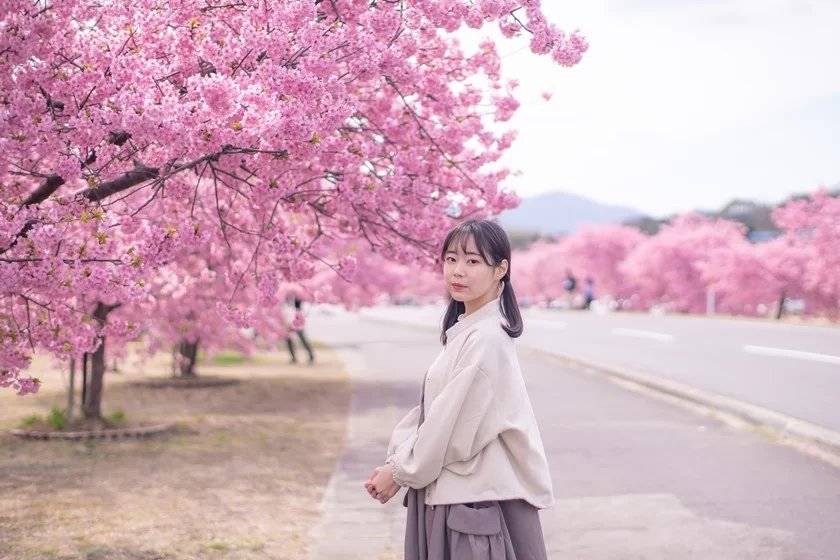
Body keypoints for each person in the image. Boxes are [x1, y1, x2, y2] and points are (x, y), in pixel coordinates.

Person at [364, 219, 553, 559]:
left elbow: (448, 427)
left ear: (501, 269)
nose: (457, 271)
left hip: (471, 501)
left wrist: (398, 470)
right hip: (455, 494)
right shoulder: (469, 331)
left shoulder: (487, 339)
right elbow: (433, 414)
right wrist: (399, 462)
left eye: (472, 261)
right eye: (451, 259)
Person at [285, 295, 315, 364]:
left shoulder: (297, 296)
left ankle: (311, 355)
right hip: (288, 318)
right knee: (288, 338)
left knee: (302, 337)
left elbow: (299, 306)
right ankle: (293, 357)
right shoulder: (286, 296)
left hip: (297, 318)